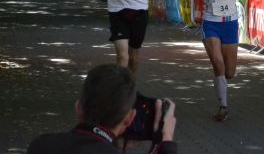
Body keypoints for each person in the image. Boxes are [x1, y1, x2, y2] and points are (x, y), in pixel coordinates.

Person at [169, 0, 264, 122]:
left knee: (229, 73)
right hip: (211, 24)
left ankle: (221, 85)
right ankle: (223, 106)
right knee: (218, 63)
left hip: (230, 25)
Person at [27, 64, 177, 154]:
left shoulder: (40, 145)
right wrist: (164, 144)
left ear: (78, 108)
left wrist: (109, 143)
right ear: (129, 118)